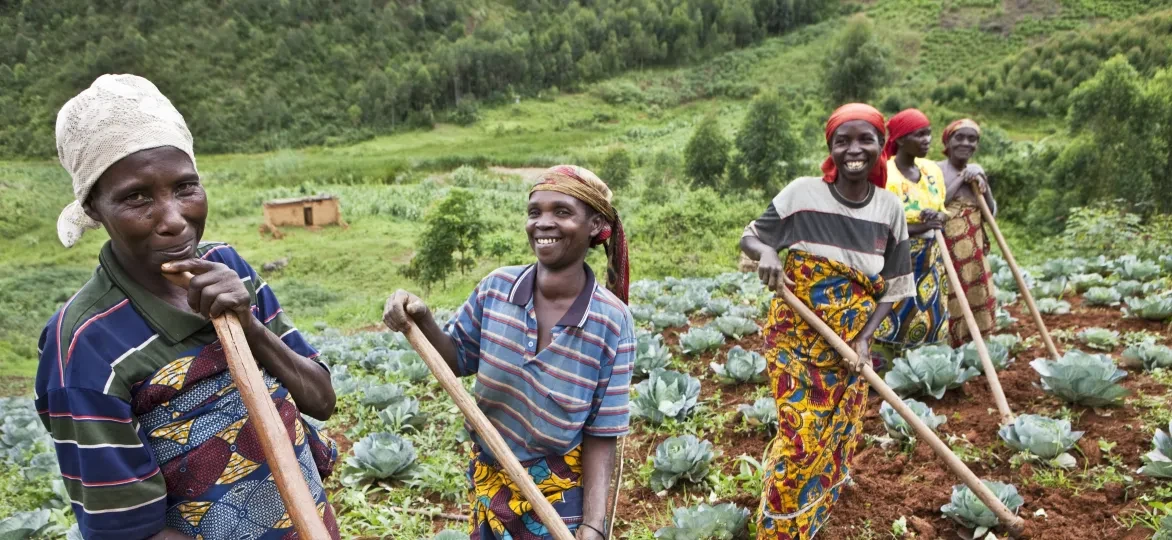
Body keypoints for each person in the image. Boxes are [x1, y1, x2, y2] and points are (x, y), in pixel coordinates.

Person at [35, 74, 339, 540]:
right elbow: (130, 532)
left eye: (185, 188)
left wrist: (247, 327)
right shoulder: (84, 344)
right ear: (95, 208)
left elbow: (321, 399)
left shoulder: (227, 265)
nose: (175, 221)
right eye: (137, 196)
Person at [383, 165, 633, 540]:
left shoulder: (611, 321)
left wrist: (594, 526)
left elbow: (601, 432)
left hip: (559, 496)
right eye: (535, 212)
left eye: (562, 212)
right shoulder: (496, 289)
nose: (543, 223)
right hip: (489, 476)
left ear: (595, 225)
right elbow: (456, 359)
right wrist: (421, 318)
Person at [739, 103, 914, 539]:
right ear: (831, 148)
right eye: (843, 141)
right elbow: (751, 236)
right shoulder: (801, 194)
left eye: (865, 139)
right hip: (794, 341)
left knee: (835, 438)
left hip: (849, 347)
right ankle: (779, 529)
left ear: (881, 147)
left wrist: (865, 340)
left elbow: (894, 286)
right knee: (800, 439)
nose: (853, 149)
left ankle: (814, 513)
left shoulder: (890, 209)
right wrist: (768, 253)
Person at [872, 108, 951, 370]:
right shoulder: (885, 173)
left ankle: (923, 371)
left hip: (932, 257)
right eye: (920, 134)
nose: (928, 139)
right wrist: (919, 225)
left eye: (929, 133)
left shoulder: (931, 170)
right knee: (892, 310)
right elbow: (880, 220)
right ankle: (885, 373)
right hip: (898, 257)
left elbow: (943, 210)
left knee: (929, 311)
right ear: (902, 139)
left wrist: (936, 216)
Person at [938, 119, 998, 347]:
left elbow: (990, 213)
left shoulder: (977, 173)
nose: (966, 143)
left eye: (972, 139)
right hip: (947, 255)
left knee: (977, 298)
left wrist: (984, 184)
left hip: (974, 255)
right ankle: (947, 348)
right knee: (950, 301)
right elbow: (938, 202)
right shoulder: (936, 170)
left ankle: (974, 350)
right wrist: (962, 178)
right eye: (959, 137)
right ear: (948, 142)